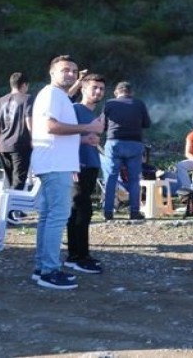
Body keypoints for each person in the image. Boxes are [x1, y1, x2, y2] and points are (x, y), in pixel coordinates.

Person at [31, 55, 104, 290]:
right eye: (65, 70)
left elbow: (56, 134)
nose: (71, 74)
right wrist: (88, 127)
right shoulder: (52, 94)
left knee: (48, 216)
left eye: (74, 70)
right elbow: (50, 126)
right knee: (57, 217)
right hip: (55, 165)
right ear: (52, 72)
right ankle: (49, 271)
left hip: (54, 163)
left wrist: (83, 139)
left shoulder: (58, 96)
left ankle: (42, 267)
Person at [65, 73, 106, 275]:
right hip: (78, 165)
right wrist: (73, 162)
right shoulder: (74, 109)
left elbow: (87, 138)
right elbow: (63, 137)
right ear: (83, 89)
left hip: (91, 164)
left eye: (101, 89)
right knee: (81, 210)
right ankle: (78, 257)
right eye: (94, 87)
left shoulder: (93, 114)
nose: (98, 91)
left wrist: (94, 140)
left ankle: (78, 255)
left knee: (81, 210)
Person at [102, 81, 152, 221]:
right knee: (134, 179)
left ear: (116, 92)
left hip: (114, 143)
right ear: (131, 93)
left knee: (111, 178)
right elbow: (147, 124)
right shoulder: (139, 103)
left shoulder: (109, 103)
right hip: (134, 144)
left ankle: (108, 212)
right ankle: (134, 212)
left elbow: (103, 125)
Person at [0, 72, 33, 190]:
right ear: (24, 85)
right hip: (20, 144)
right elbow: (28, 119)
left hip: (3, 145)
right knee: (19, 181)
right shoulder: (27, 98)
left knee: (11, 181)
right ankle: (15, 201)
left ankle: (9, 200)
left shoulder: (1, 100)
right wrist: (34, 138)